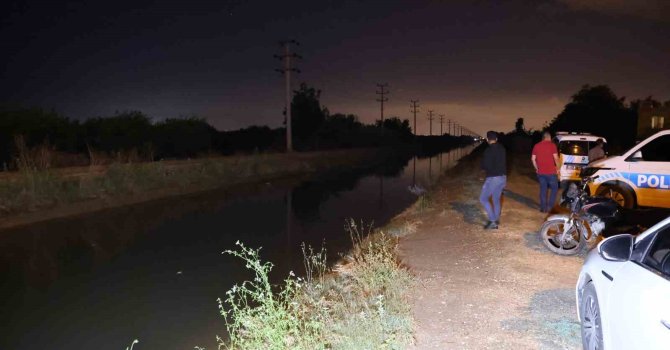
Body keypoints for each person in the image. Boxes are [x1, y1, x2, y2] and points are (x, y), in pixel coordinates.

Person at [479, 131, 506, 229]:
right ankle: (496, 218)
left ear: (487, 140)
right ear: (496, 139)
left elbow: (485, 165)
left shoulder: (488, 151)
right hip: (502, 178)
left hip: (493, 178)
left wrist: (482, 167)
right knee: (496, 199)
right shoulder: (502, 148)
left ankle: (492, 221)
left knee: (483, 199)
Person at [531, 131, 559, 212]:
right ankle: (550, 207)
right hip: (551, 172)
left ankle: (543, 208)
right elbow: (556, 158)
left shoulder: (536, 145)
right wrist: (558, 168)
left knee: (543, 189)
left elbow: (533, 159)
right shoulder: (552, 145)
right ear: (549, 137)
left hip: (541, 173)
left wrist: (537, 168)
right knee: (554, 189)